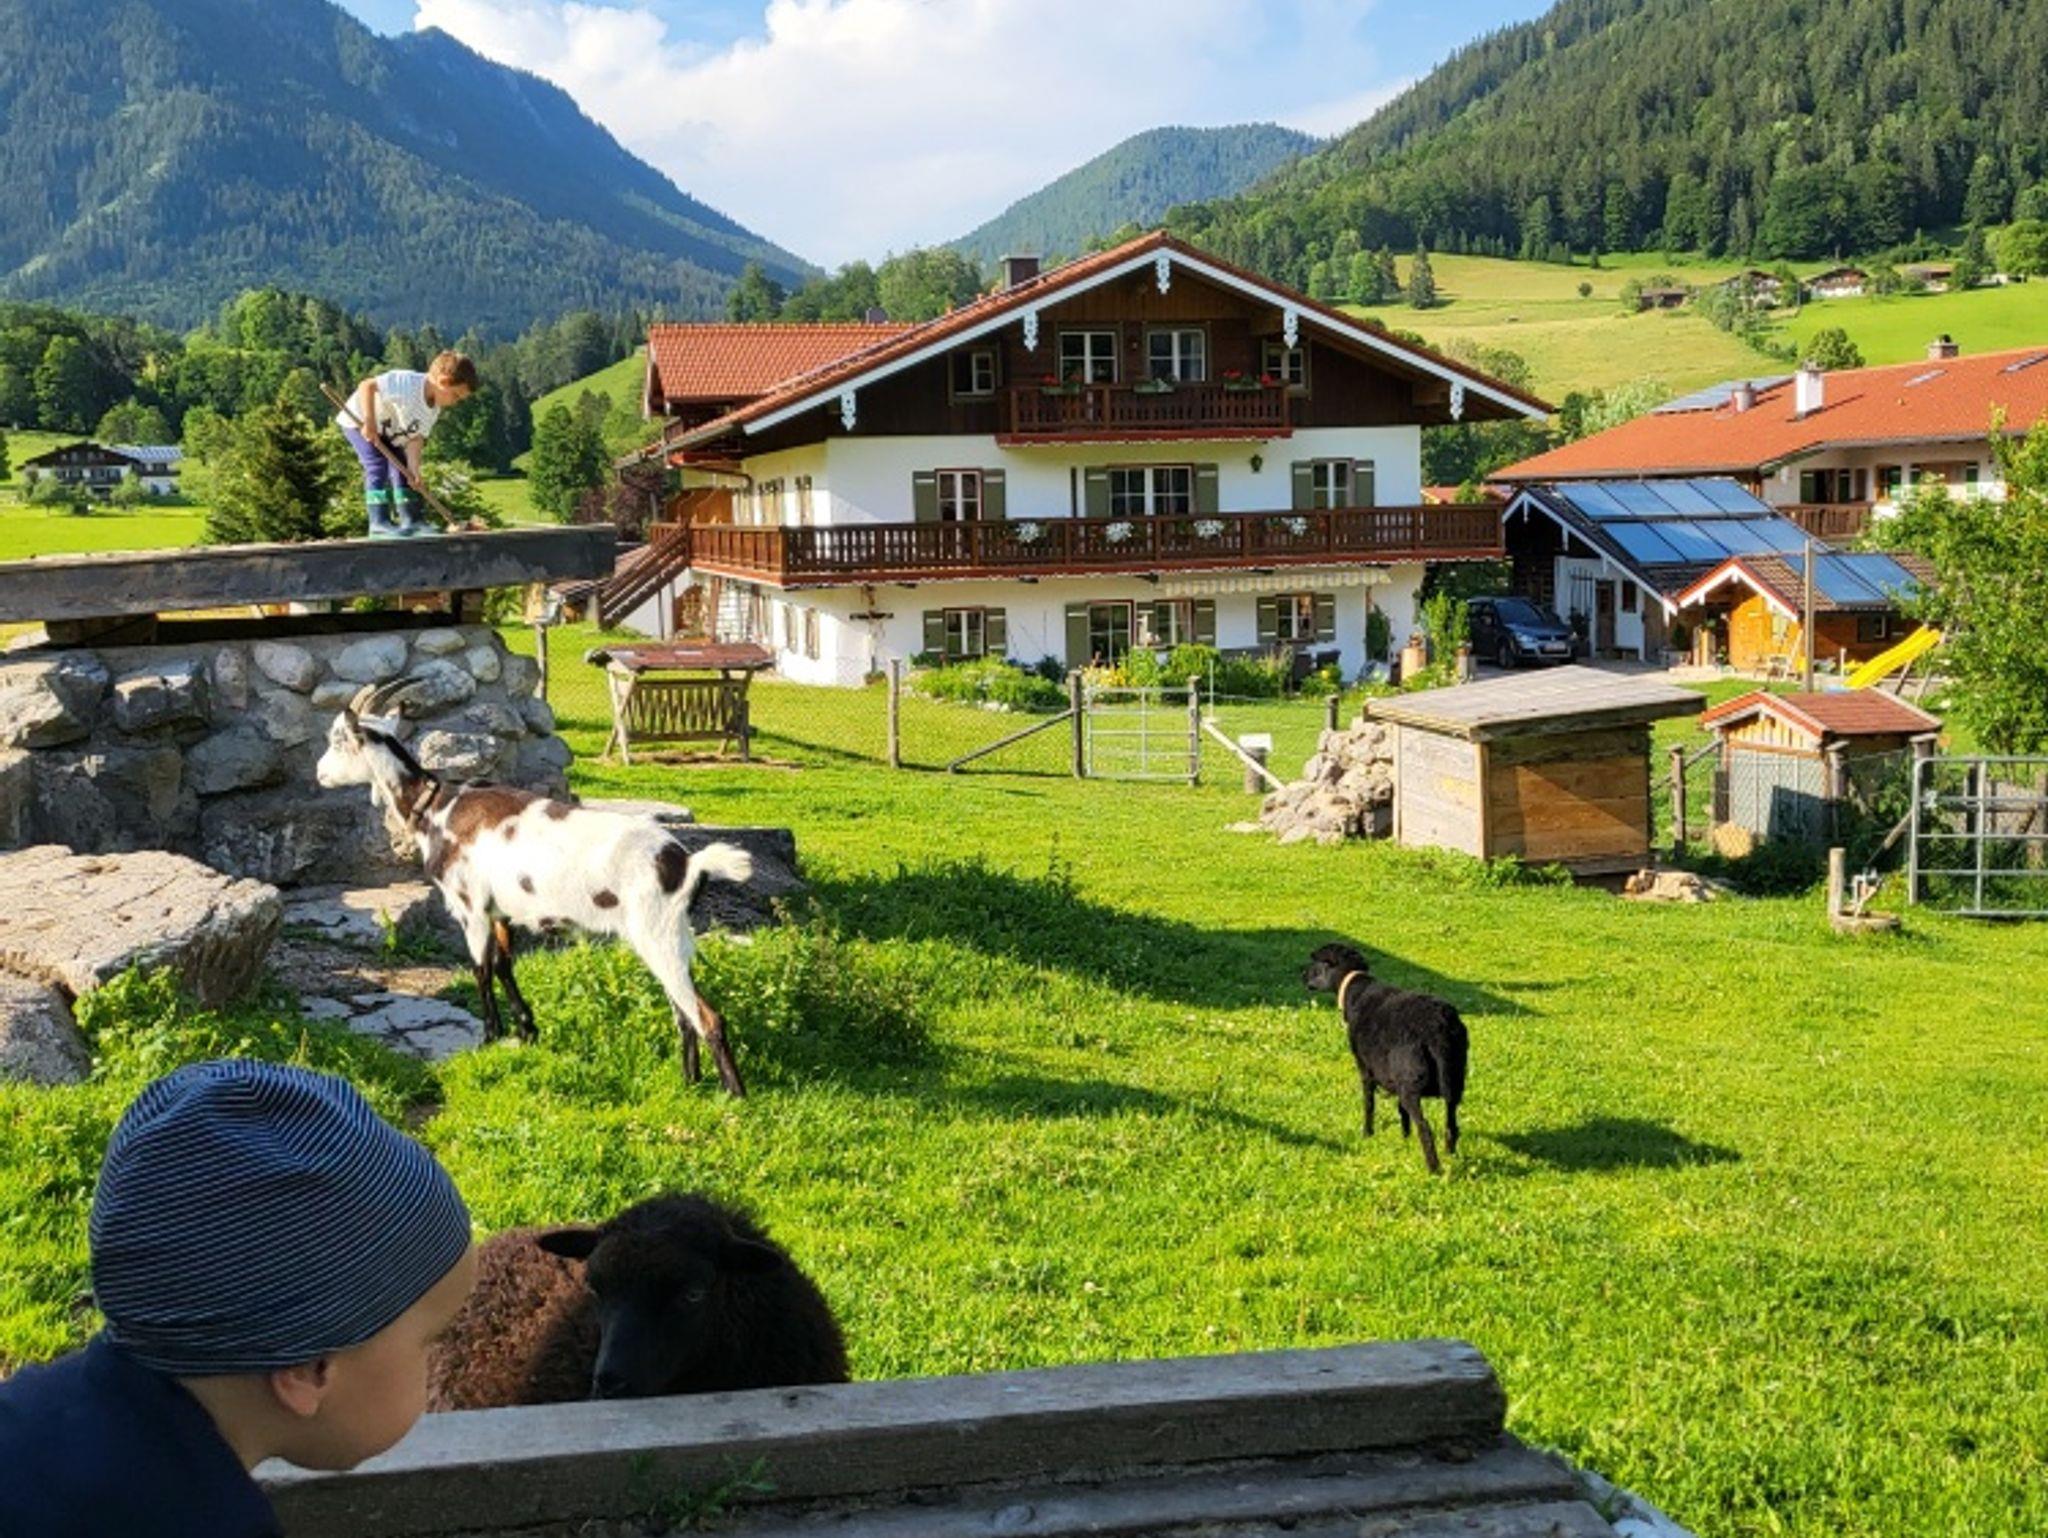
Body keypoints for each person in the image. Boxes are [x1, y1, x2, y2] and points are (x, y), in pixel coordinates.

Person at [0, 1060, 475, 1538]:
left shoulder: (30, 1414)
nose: (443, 1360)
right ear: (308, 1372)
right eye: (433, 1340)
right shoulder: (201, 1523)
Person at [337, 350, 478, 538]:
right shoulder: (406, 383)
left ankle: (412, 521)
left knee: (404, 472)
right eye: (456, 396)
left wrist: (414, 470)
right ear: (443, 382)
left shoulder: (433, 410)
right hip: (360, 422)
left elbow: (415, 438)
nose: (456, 402)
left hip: (390, 432)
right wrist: (369, 422)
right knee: (377, 466)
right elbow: (367, 386)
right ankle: (378, 523)